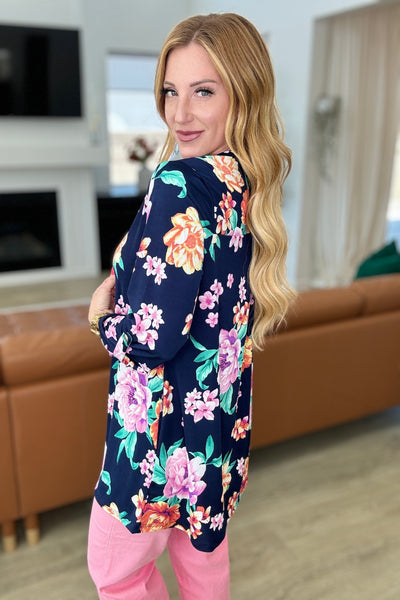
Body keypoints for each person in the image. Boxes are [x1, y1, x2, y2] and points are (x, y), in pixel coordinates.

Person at [87, 12, 295, 600]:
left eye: (203, 92)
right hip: (213, 437)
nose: (179, 114)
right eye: (170, 91)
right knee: (205, 573)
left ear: (243, 95)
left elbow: (150, 340)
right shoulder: (243, 182)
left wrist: (101, 318)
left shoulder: (179, 183)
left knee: (116, 574)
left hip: (153, 442)